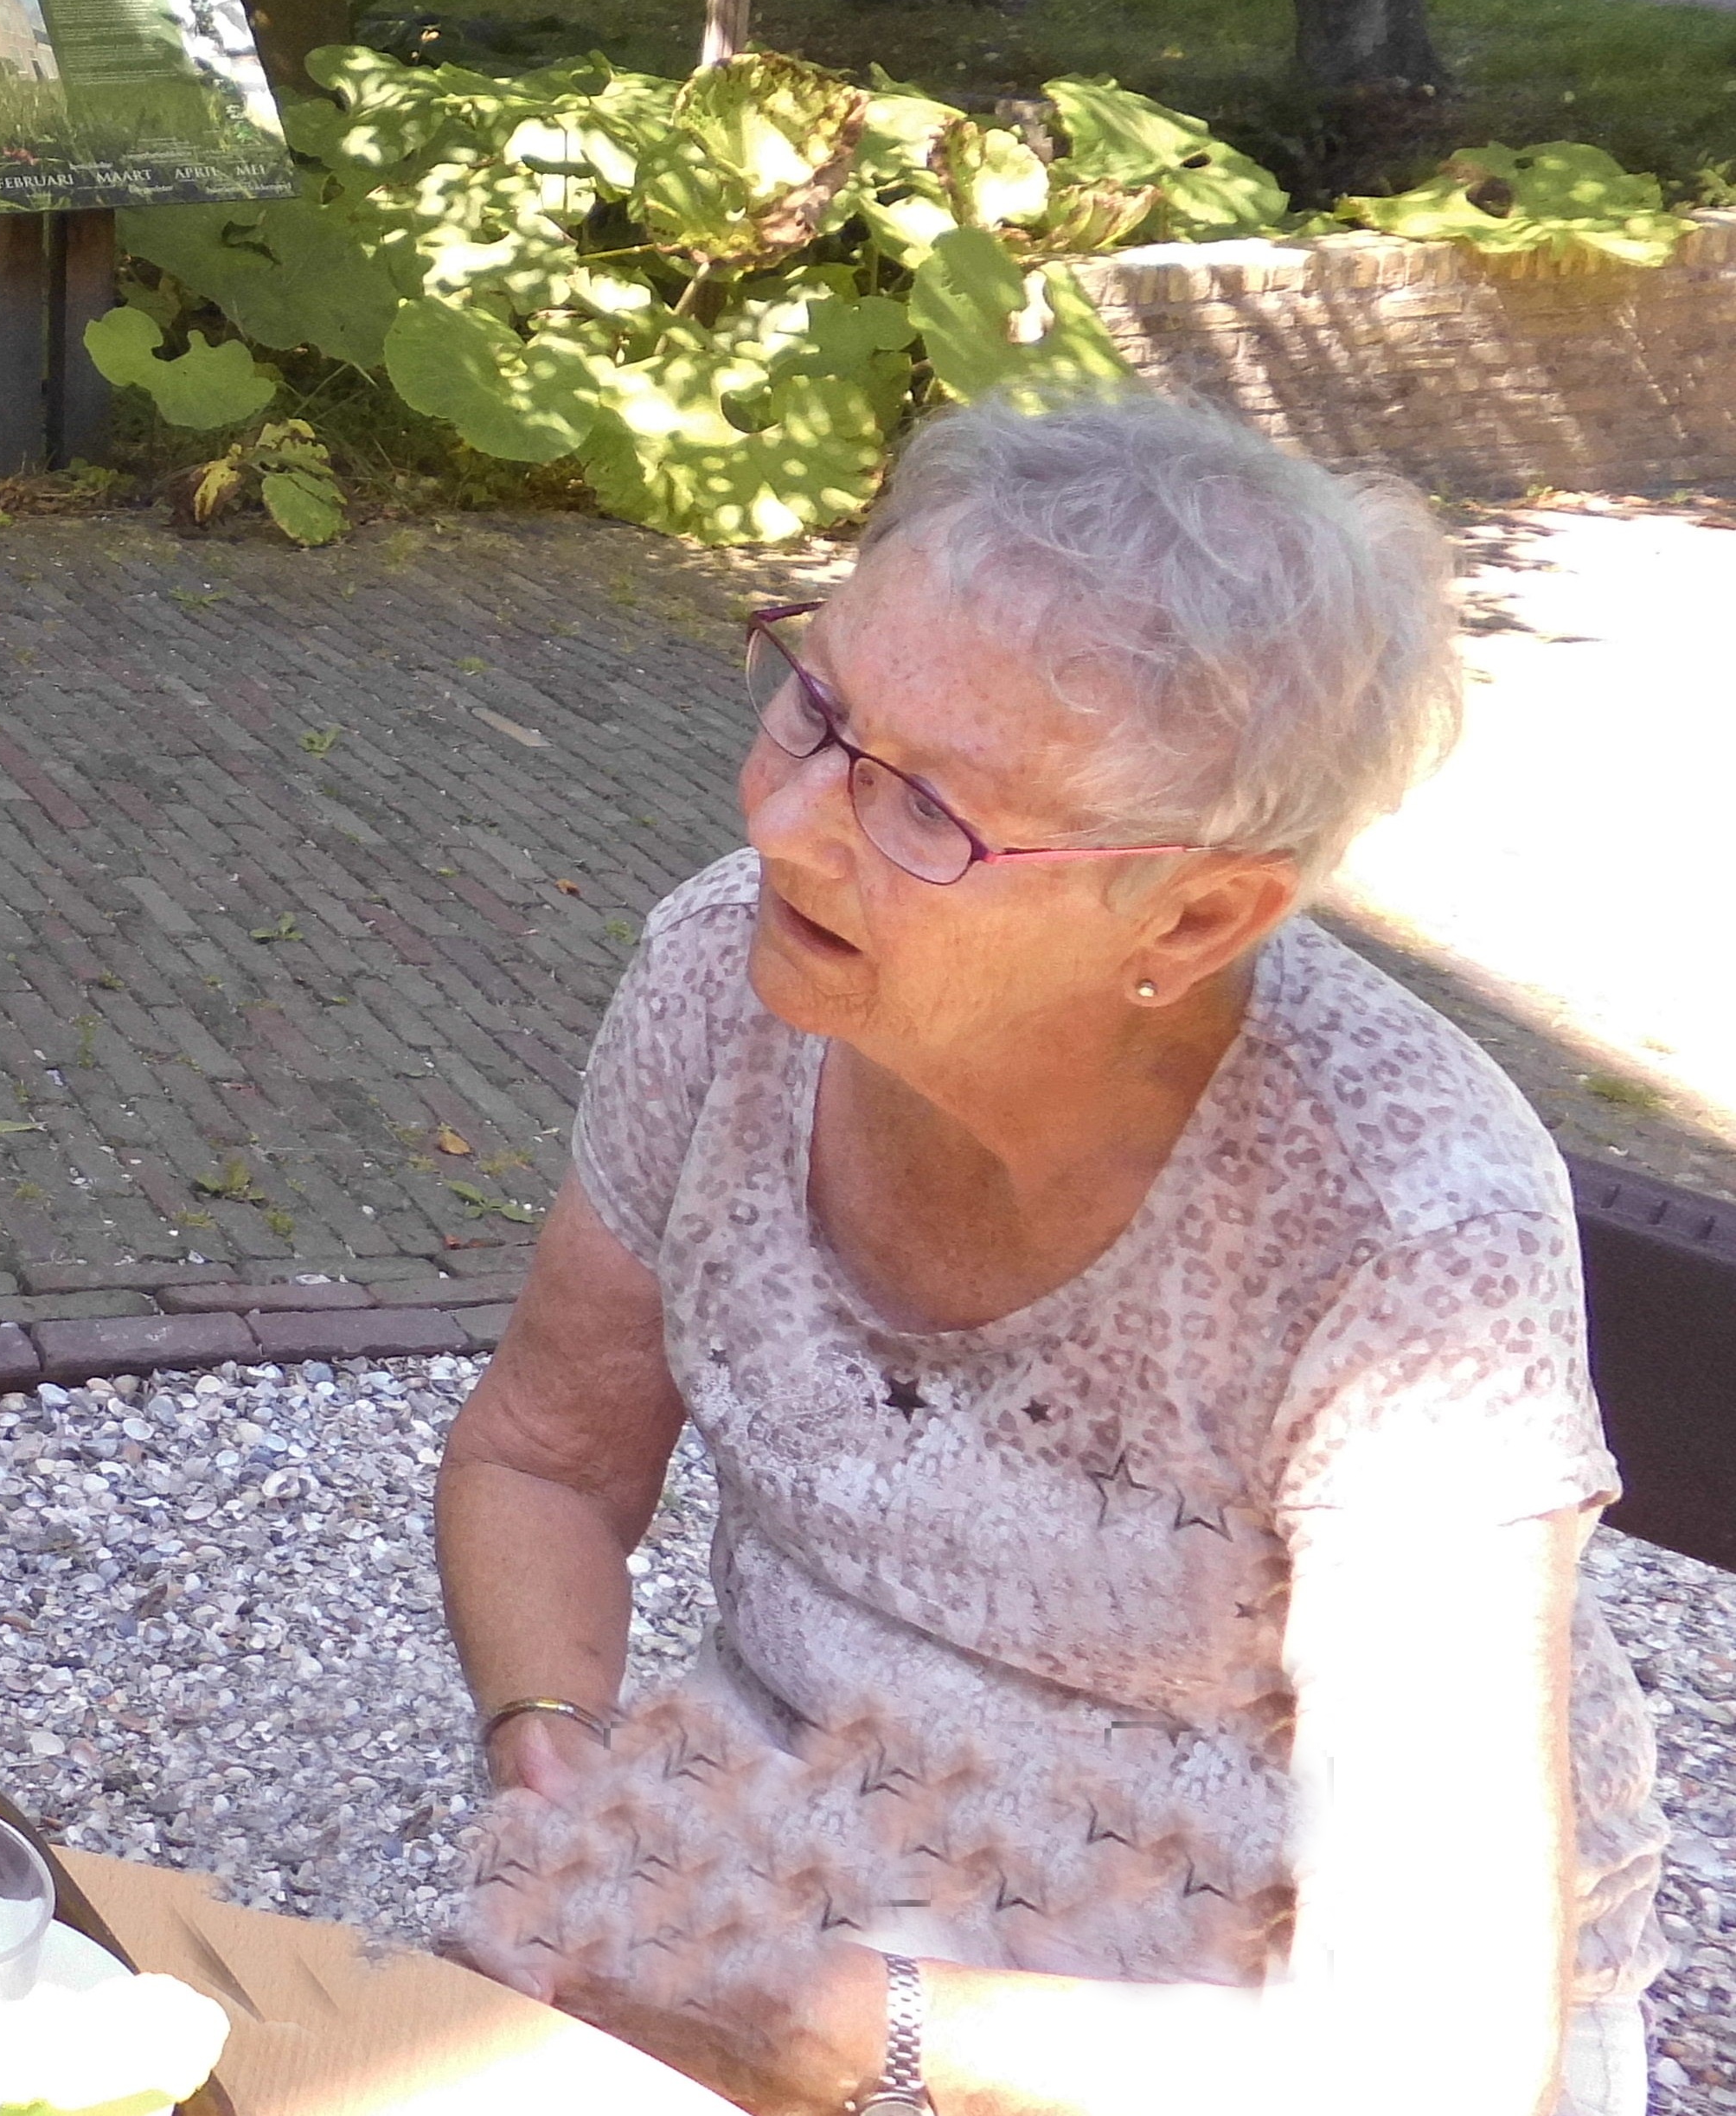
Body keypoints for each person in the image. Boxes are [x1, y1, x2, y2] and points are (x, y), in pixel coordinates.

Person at [435, 396, 1663, 2116]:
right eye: (815, 705)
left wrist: (872, 2037)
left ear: (1191, 914)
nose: (789, 824)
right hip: (791, 1878)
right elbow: (541, 1456)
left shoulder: (1398, 1229)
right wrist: (550, 1741)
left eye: (925, 806)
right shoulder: (734, 970)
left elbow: (1435, 2053)